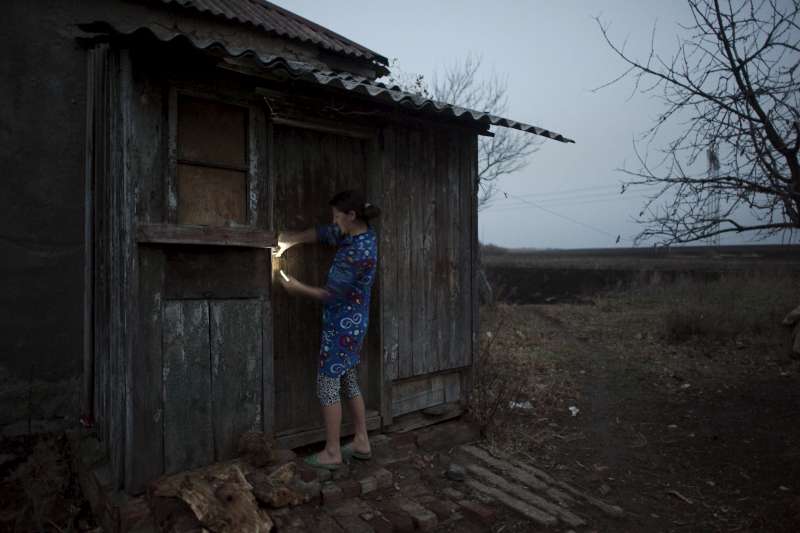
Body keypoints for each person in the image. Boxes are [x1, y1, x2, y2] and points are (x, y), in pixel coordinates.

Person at [274, 190, 380, 469]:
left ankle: (332, 452)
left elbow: (331, 295)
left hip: (343, 326)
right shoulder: (359, 234)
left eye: (336, 216)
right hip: (353, 323)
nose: (333, 221)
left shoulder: (358, 253)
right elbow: (324, 233)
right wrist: (291, 239)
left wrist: (296, 288)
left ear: (351, 215)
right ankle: (361, 440)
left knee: (326, 383)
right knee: (347, 378)